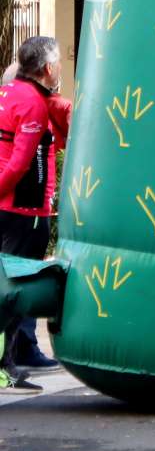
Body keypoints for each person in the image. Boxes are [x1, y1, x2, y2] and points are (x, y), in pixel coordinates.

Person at [0, 37, 70, 393]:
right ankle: (4, 366)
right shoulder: (33, 104)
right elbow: (20, 163)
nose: (59, 68)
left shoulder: (10, 91)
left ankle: (10, 359)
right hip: (22, 211)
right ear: (46, 68)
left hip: (12, 209)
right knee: (13, 293)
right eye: (57, 62)